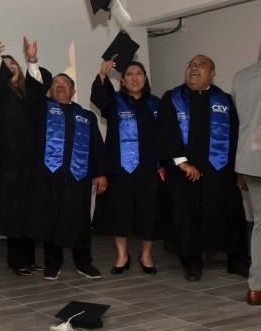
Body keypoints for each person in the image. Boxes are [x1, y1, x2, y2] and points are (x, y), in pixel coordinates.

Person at [159, 54, 250, 281]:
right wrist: (182, 162)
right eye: (191, 64)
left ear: (213, 73)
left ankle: (237, 261)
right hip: (183, 172)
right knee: (186, 217)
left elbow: (236, 135)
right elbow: (166, 131)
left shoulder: (226, 101)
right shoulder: (172, 98)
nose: (194, 68)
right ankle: (192, 263)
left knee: (230, 214)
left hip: (221, 171)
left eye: (201, 65)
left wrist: (239, 170)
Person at [28, 70, 109, 281]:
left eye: (65, 83)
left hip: (79, 176)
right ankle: (53, 264)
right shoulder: (41, 110)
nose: (60, 85)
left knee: (80, 221)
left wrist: (100, 173)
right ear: (50, 89)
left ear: (74, 91)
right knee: (51, 220)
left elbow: (96, 147)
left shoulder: (86, 116)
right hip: (49, 176)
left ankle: (84, 263)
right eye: (55, 83)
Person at [0, 37, 49, 276]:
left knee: (31, 210)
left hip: (31, 160)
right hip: (9, 160)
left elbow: (40, 89)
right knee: (14, 211)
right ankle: (16, 261)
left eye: (14, 65)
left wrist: (32, 59)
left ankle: (30, 260)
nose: (10, 68)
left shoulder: (29, 94)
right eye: (5, 66)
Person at [91, 59, 162, 275]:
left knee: (148, 212)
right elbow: (99, 98)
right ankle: (122, 255)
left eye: (139, 73)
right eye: (129, 74)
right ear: (122, 80)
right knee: (119, 212)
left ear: (145, 79)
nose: (134, 77)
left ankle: (146, 255)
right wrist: (102, 76)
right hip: (120, 168)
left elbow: (165, 135)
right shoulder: (115, 101)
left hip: (148, 169)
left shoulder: (156, 104)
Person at [233, 44, 261, 304]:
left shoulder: (241, 77)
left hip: (250, 162)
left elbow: (244, 120)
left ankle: (256, 287)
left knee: (259, 226)